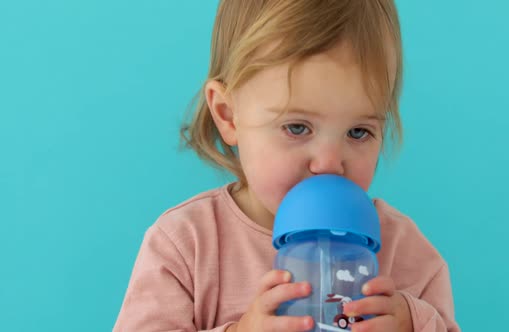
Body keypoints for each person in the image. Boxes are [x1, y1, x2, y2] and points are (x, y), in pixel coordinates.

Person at [114, 0, 460, 331]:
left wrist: (412, 323)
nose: (328, 164)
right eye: (297, 127)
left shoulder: (404, 249)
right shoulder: (186, 244)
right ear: (228, 114)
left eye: (358, 132)